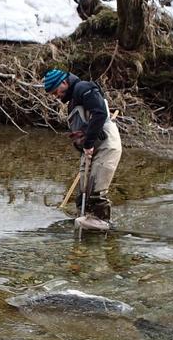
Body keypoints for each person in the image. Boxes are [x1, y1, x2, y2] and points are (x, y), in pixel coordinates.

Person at [43, 68, 122, 230]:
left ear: (64, 83)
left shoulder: (84, 88)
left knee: (95, 190)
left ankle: (102, 223)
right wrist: (82, 145)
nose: (55, 96)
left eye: (55, 91)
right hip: (90, 148)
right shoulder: (72, 102)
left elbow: (99, 113)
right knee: (83, 194)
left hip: (106, 145)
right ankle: (85, 221)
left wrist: (88, 144)